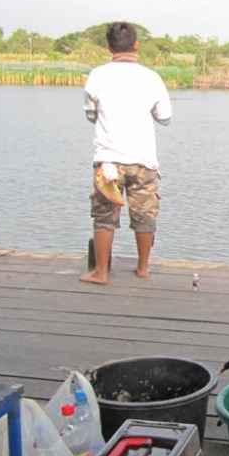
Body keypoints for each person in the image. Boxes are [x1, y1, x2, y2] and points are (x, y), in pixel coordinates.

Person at [80, 22, 172, 284]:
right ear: (136, 45)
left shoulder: (97, 76)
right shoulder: (151, 77)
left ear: (109, 47)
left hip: (108, 160)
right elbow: (165, 117)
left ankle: (100, 272)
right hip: (143, 161)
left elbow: (90, 114)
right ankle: (143, 268)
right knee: (144, 215)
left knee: (104, 216)